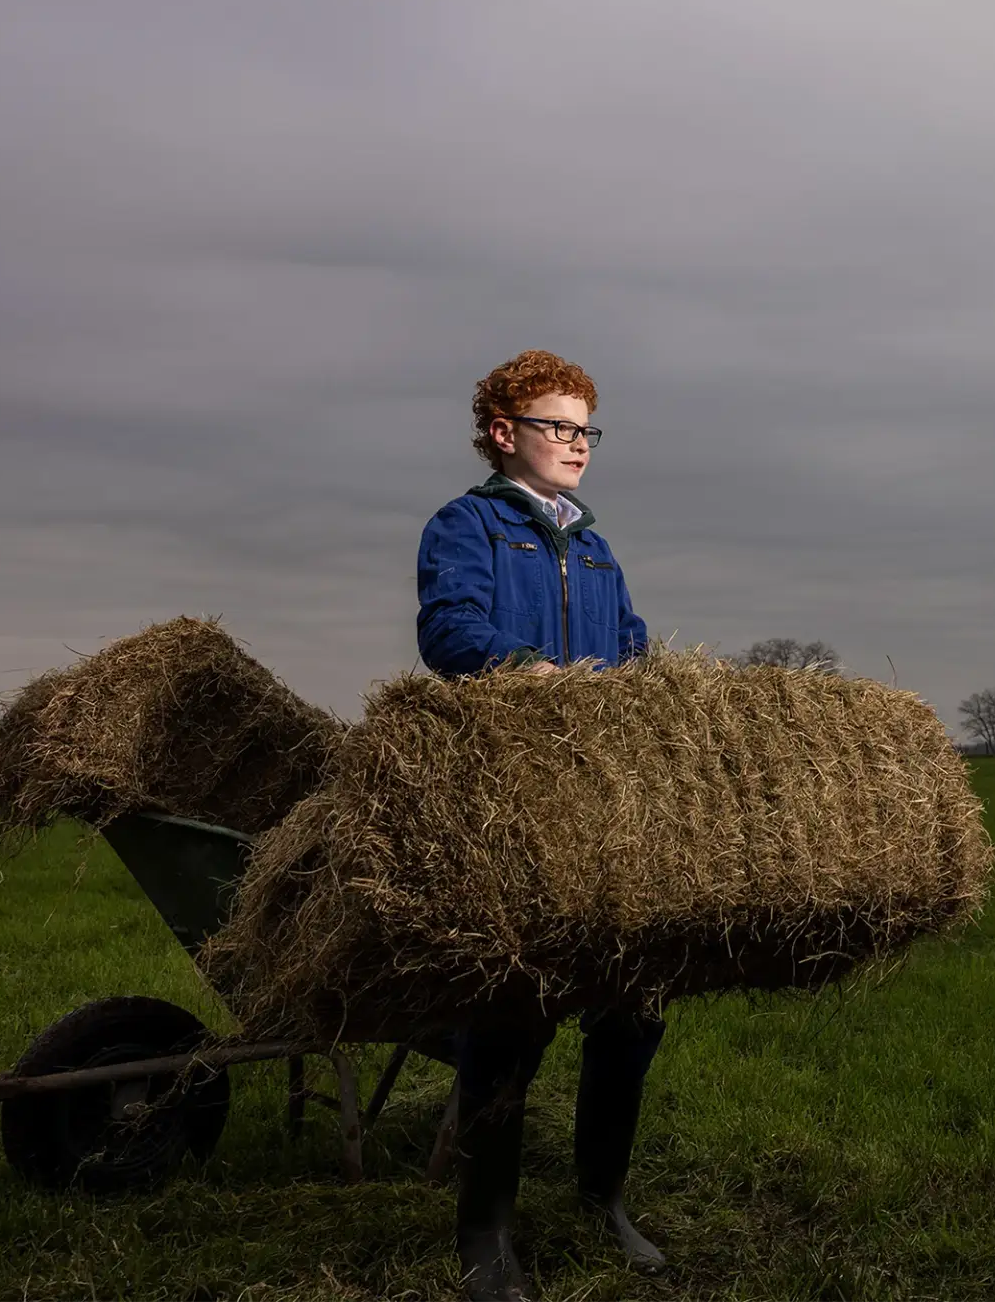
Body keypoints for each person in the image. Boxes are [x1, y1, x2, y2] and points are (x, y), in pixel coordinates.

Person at [415, 349, 666, 1302]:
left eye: (586, 429)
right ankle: (486, 1231)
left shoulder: (597, 550)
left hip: (601, 798)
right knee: (510, 1009)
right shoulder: (468, 525)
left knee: (634, 1005)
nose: (578, 444)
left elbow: (634, 650)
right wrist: (535, 675)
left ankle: (603, 1198)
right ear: (502, 433)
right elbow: (449, 631)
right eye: (557, 426)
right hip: (511, 794)